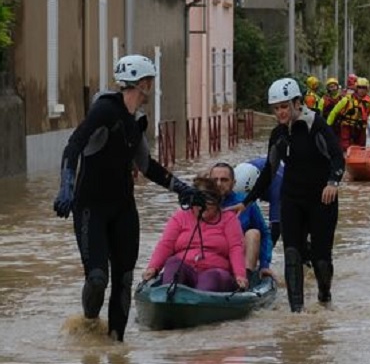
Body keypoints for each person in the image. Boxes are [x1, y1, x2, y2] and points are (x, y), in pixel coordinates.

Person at [52, 54, 195, 342]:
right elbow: (73, 145)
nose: (151, 87)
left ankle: (116, 346)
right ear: (143, 83)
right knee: (97, 279)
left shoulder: (135, 122)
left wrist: (182, 188)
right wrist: (66, 185)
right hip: (91, 207)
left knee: (124, 278)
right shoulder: (105, 110)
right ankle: (90, 322)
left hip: (123, 209)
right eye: (150, 81)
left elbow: (147, 165)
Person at [233, 78, 345, 313]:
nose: (280, 113)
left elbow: (337, 157)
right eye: (275, 109)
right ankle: (296, 313)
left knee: (321, 258)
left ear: (297, 103)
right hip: (292, 199)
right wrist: (246, 201)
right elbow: (269, 171)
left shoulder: (317, 125)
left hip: (322, 200)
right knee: (292, 254)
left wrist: (333, 182)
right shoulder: (278, 134)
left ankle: (325, 298)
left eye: (284, 106)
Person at [141, 175, 248, 293]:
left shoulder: (228, 219)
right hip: (186, 269)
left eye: (209, 202)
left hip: (215, 271)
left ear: (217, 202)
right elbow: (166, 244)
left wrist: (240, 275)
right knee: (173, 264)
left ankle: (200, 299)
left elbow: (235, 248)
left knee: (210, 278)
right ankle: (168, 295)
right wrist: (153, 267)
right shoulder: (180, 217)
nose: (203, 207)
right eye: (199, 203)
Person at [209, 162, 273, 283]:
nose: (218, 184)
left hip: (239, 256)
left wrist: (265, 264)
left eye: (224, 180)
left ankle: (247, 278)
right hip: (212, 253)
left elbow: (265, 234)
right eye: (214, 180)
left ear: (233, 183)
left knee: (253, 233)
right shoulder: (201, 204)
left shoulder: (245, 203)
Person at [327, 77, 370, 151]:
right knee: (345, 148)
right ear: (356, 88)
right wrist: (328, 127)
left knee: (361, 149)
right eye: (360, 87)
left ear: (367, 89)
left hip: (360, 131)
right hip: (347, 128)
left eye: (364, 88)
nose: (361, 90)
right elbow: (334, 112)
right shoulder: (347, 100)